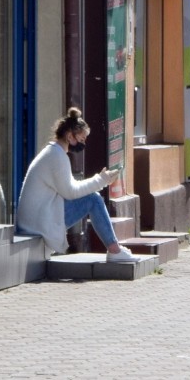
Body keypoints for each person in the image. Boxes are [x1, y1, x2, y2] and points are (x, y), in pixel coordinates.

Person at [15, 107, 141, 263]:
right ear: (69, 136)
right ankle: (114, 250)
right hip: (37, 224)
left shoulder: (53, 152)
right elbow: (71, 192)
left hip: (36, 220)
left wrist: (101, 180)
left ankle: (114, 249)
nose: (83, 143)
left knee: (92, 198)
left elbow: (70, 188)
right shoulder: (56, 156)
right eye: (81, 139)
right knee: (93, 200)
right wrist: (101, 180)